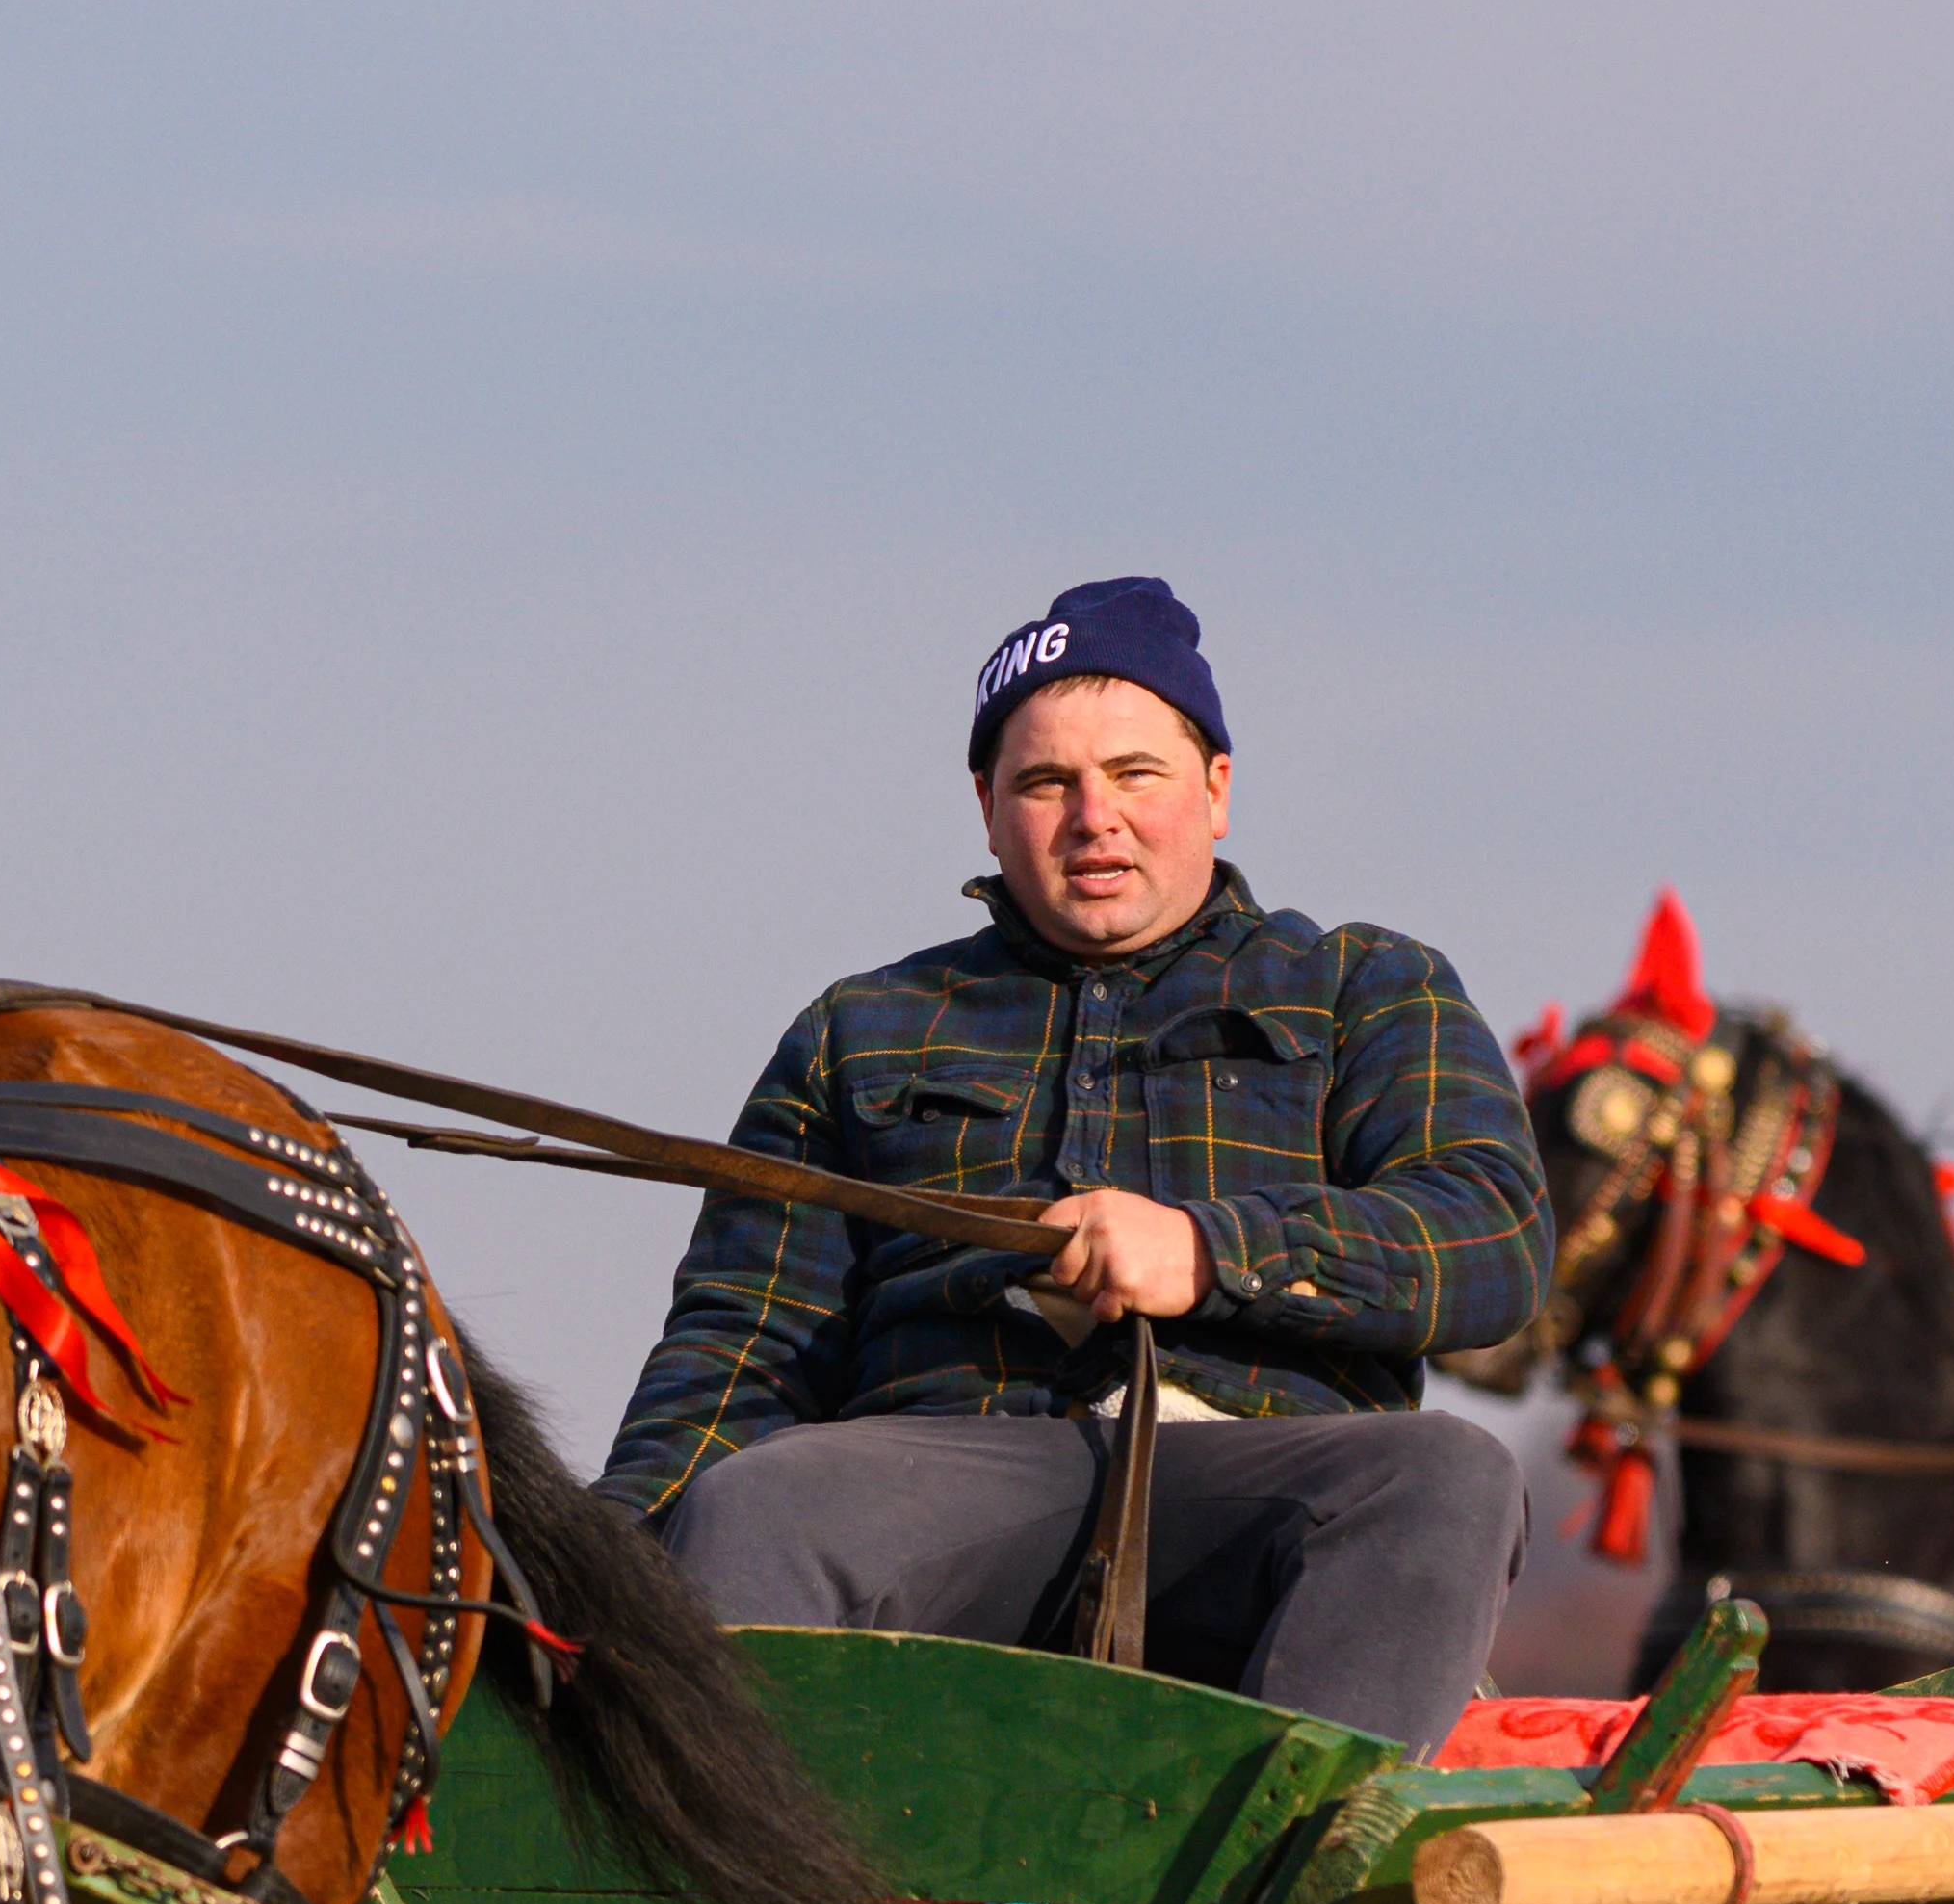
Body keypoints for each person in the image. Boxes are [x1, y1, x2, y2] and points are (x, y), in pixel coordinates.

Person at [597, 578, 1545, 1748]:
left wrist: (1209, 1251)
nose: (1093, 816)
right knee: (754, 1501)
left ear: (1216, 790)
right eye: (1045, 783)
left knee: (1447, 1475)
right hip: (943, 1474)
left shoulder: (1366, 986)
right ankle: (746, 1896)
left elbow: (1489, 1233)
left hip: (1252, 1472)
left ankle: (1273, 1891)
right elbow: (737, 1347)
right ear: (987, 810)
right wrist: (599, 1573)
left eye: (1135, 774)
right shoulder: (861, 1027)